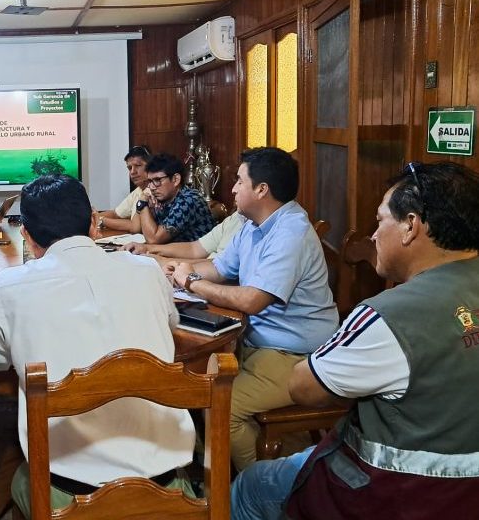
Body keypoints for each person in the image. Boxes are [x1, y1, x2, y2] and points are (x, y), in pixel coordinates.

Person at [231, 162, 479, 520]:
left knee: (251, 486)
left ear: (410, 226)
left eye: (380, 221)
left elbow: (304, 388)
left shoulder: (390, 315)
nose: (374, 236)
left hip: (390, 493)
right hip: (462, 496)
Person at [0, 174, 197, 517]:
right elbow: (170, 325)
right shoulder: (147, 271)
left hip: (68, 496)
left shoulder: (8, 287)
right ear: (93, 222)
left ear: (27, 236)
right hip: (166, 491)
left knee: (20, 479)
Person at [169, 147, 338, 471]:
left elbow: (252, 300)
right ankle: (213, 475)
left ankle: (255, 487)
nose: (232, 188)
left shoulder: (291, 231)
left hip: (294, 353)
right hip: (257, 341)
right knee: (197, 384)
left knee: (221, 405)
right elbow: (218, 267)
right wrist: (171, 268)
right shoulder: (252, 223)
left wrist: (190, 282)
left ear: (261, 190)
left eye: (238, 181)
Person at [138, 153, 214, 243]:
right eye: (150, 181)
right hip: (174, 254)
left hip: (198, 256)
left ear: (176, 179)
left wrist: (142, 203)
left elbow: (154, 239)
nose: (152, 187)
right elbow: (137, 227)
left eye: (157, 180)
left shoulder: (188, 200)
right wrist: (144, 200)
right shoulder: (164, 198)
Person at [125, 210, 245, 261]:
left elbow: (153, 237)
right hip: (202, 276)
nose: (234, 189)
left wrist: (164, 262)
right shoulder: (236, 218)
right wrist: (147, 249)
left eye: (240, 182)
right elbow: (195, 248)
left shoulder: (188, 200)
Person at [96, 145, 151, 232]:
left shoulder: (155, 191)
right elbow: (115, 214)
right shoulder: (138, 190)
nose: (132, 172)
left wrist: (102, 220)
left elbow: (135, 227)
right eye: (129, 168)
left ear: (150, 167)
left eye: (137, 165)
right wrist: (92, 217)